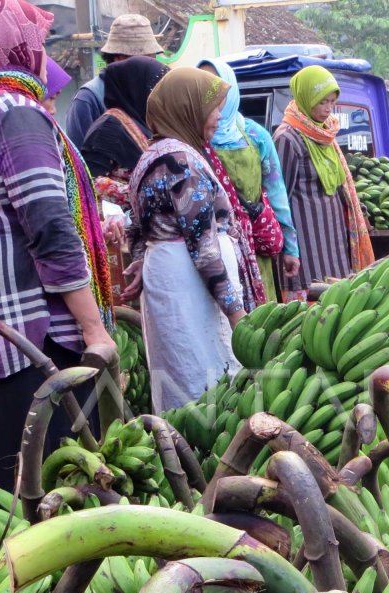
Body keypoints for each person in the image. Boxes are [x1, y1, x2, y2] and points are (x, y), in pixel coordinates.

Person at [0, 0, 115, 497]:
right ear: (21, 48)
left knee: (17, 493)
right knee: (61, 495)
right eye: (39, 44)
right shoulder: (13, 110)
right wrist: (93, 328)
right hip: (41, 343)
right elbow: (51, 225)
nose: (42, 56)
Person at [128, 67, 247, 412]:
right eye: (213, 108)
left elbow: (142, 227)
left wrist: (141, 258)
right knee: (207, 382)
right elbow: (203, 248)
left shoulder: (154, 154)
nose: (218, 117)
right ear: (187, 108)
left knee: (180, 377)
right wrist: (236, 313)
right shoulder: (180, 162)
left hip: (169, 277)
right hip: (190, 285)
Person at [198, 58, 295, 306]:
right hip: (211, 245)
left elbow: (276, 192)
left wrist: (290, 247)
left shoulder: (255, 135)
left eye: (216, 86)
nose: (210, 94)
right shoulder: (192, 137)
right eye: (202, 85)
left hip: (253, 242)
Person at [273, 65, 374, 299]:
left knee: (338, 296)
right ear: (306, 98)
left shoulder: (325, 133)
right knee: (310, 302)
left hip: (334, 238)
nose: (328, 109)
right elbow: (280, 198)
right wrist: (289, 247)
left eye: (332, 102)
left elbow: (340, 185)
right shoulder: (288, 138)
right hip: (307, 241)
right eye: (322, 102)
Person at [81, 56, 168, 208]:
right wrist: (148, 195)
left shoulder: (143, 123)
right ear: (136, 88)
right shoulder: (107, 129)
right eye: (154, 89)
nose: (159, 98)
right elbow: (90, 184)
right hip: (118, 228)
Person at [64, 14, 164, 145]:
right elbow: (79, 158)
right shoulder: (89, 99)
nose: (151, 65)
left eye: (152, 58)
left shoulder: (153, 92)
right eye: (144, 59)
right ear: (119, 58)